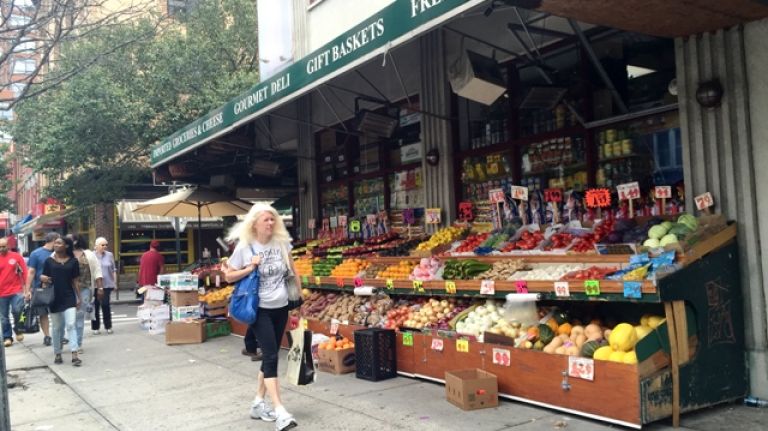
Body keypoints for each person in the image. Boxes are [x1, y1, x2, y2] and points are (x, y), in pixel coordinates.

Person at [225, 203, 299, 431]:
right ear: (254, 223)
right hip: (259, 309)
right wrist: (249, 268)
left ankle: (258, 403)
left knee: (271, 355)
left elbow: (294, 272)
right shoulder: (245, 247)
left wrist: (299, 302)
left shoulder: (282, 243)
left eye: (272, 219)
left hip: (281, 306)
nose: (270, 223)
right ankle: (280, 411)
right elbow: (229, 276)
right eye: (266, 219)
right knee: (270, 356)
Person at [41, 236, 82, 366]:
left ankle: (74, 353)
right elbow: (43, 276)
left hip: (69, 297)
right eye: (55, 243)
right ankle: (57, 353)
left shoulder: (73, 262)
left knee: (71, 324)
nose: (56, 245)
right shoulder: (49, 261)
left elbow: (75, 281)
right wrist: (44, 278)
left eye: (59, 243)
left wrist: (79, 297)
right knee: (57, 327)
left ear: (67, 246)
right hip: (54, 298)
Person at [221, 257, 262, 361]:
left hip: (253, 290)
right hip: (256, 289)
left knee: (255, 319)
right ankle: (254, 347)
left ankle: (254, 348)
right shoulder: (247, 251)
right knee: (256, 318)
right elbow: (230, 276)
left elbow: (231, 275)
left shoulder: (249, 252)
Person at [69, 234, 102, 353]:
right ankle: (68, 340)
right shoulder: (63, 253)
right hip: (67, 289)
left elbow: (97, 270)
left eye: (70, 239)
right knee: (68, 318)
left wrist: (100, 287)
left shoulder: (89, 254)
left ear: (77, 240)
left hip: (84, 289)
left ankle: (78, 344)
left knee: (79, 316)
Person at [25, 232, 59, 346]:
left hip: (57, 287)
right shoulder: (36, 254)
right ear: (53, 240)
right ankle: (47, 336)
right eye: (58, 241)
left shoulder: (60, 253)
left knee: (58, 312)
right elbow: (31, 272)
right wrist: (27, 290)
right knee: (43, 313)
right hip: (40, 288)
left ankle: (59, 334)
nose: (60, 244)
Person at [0, 237, 29, 347]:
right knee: (3, 316)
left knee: (18, 310)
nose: (1, 249)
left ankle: (18, 329)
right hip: (1, 293)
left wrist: (27, 288)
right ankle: (7, 337)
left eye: (3, 246)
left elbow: (25, 272)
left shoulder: (16, 257)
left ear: (8, 246)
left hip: (16, 290)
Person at [92, 237, 116, 334]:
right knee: (95, 306)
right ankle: (95, 327)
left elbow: (113, 269)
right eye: (102, 245)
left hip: (107, 284)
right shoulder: (91, 256)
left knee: (105, 305)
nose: (105, 247)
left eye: (106, 245)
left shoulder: (109, 255)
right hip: (95, 285)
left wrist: (115, 282)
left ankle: (108, 326)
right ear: (97, 246)